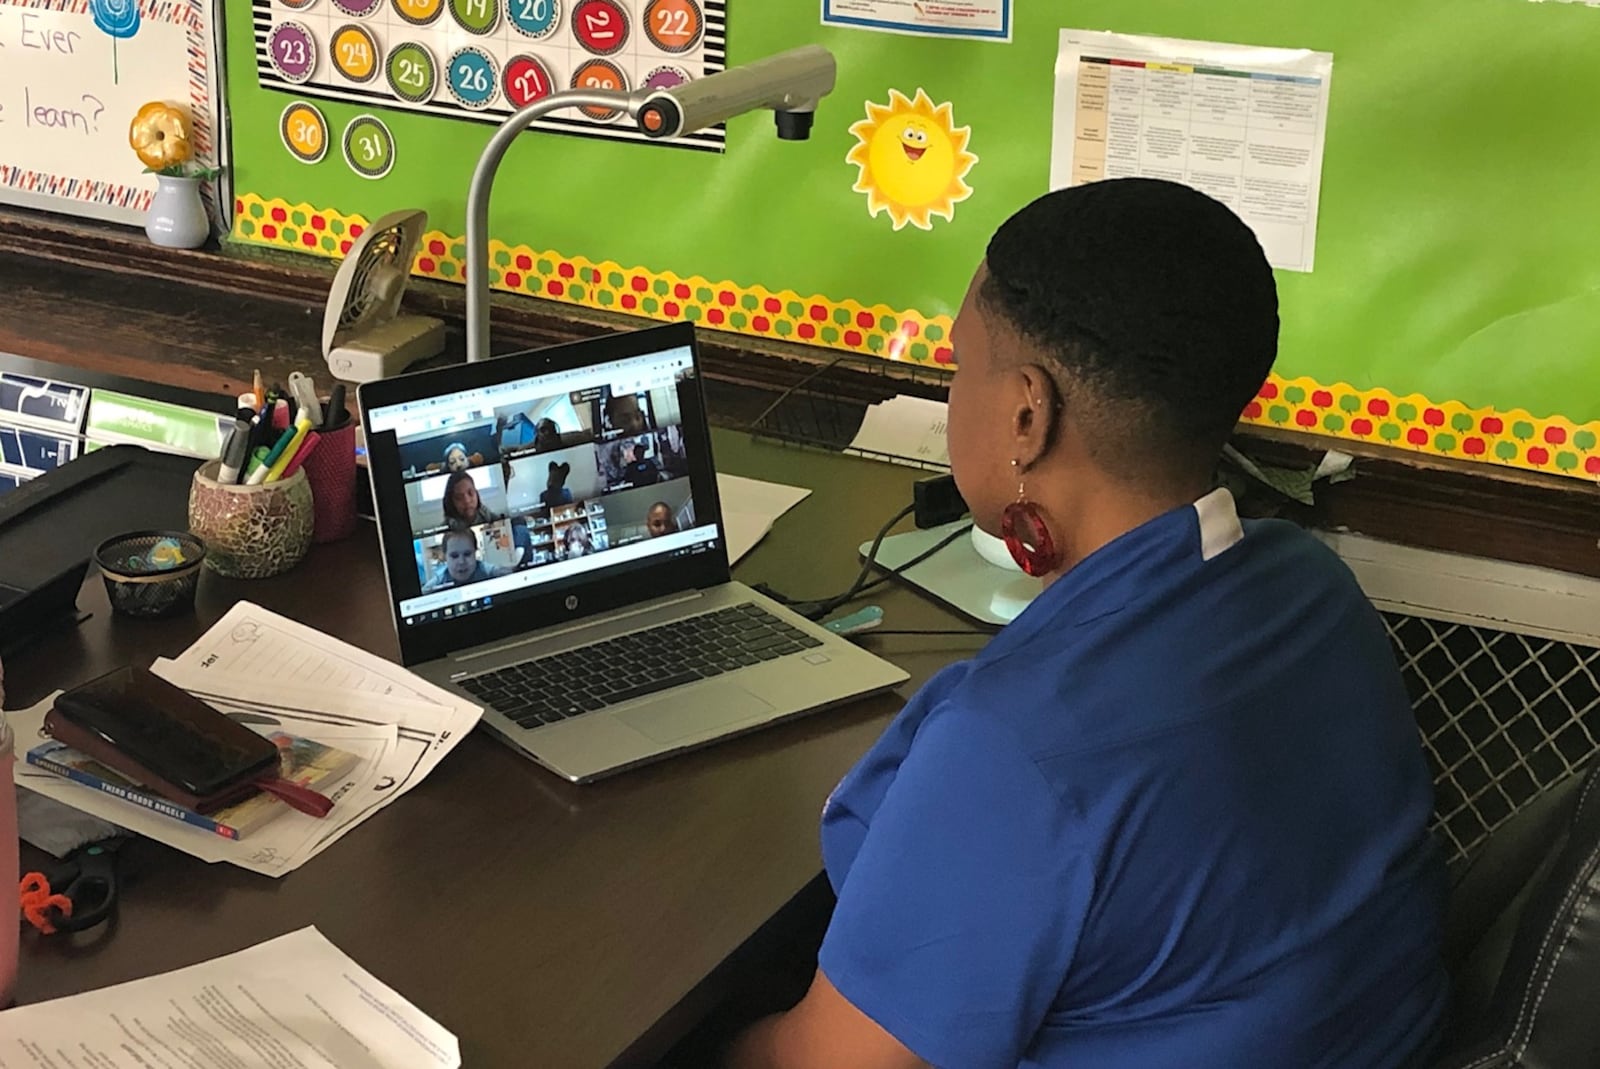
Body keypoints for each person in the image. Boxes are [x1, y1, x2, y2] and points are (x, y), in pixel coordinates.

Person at [723, 179, 1446, 1068]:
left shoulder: (1015, 749)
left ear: (1028, 411)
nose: (954, 393)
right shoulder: (1311, 588)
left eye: (959, 366)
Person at [422, 528, 495, 591]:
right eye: (454, 556)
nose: (461, 562)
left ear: (475, 552)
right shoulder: (432, 587)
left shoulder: (493, 573)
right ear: (445, 556)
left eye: (467, 554)